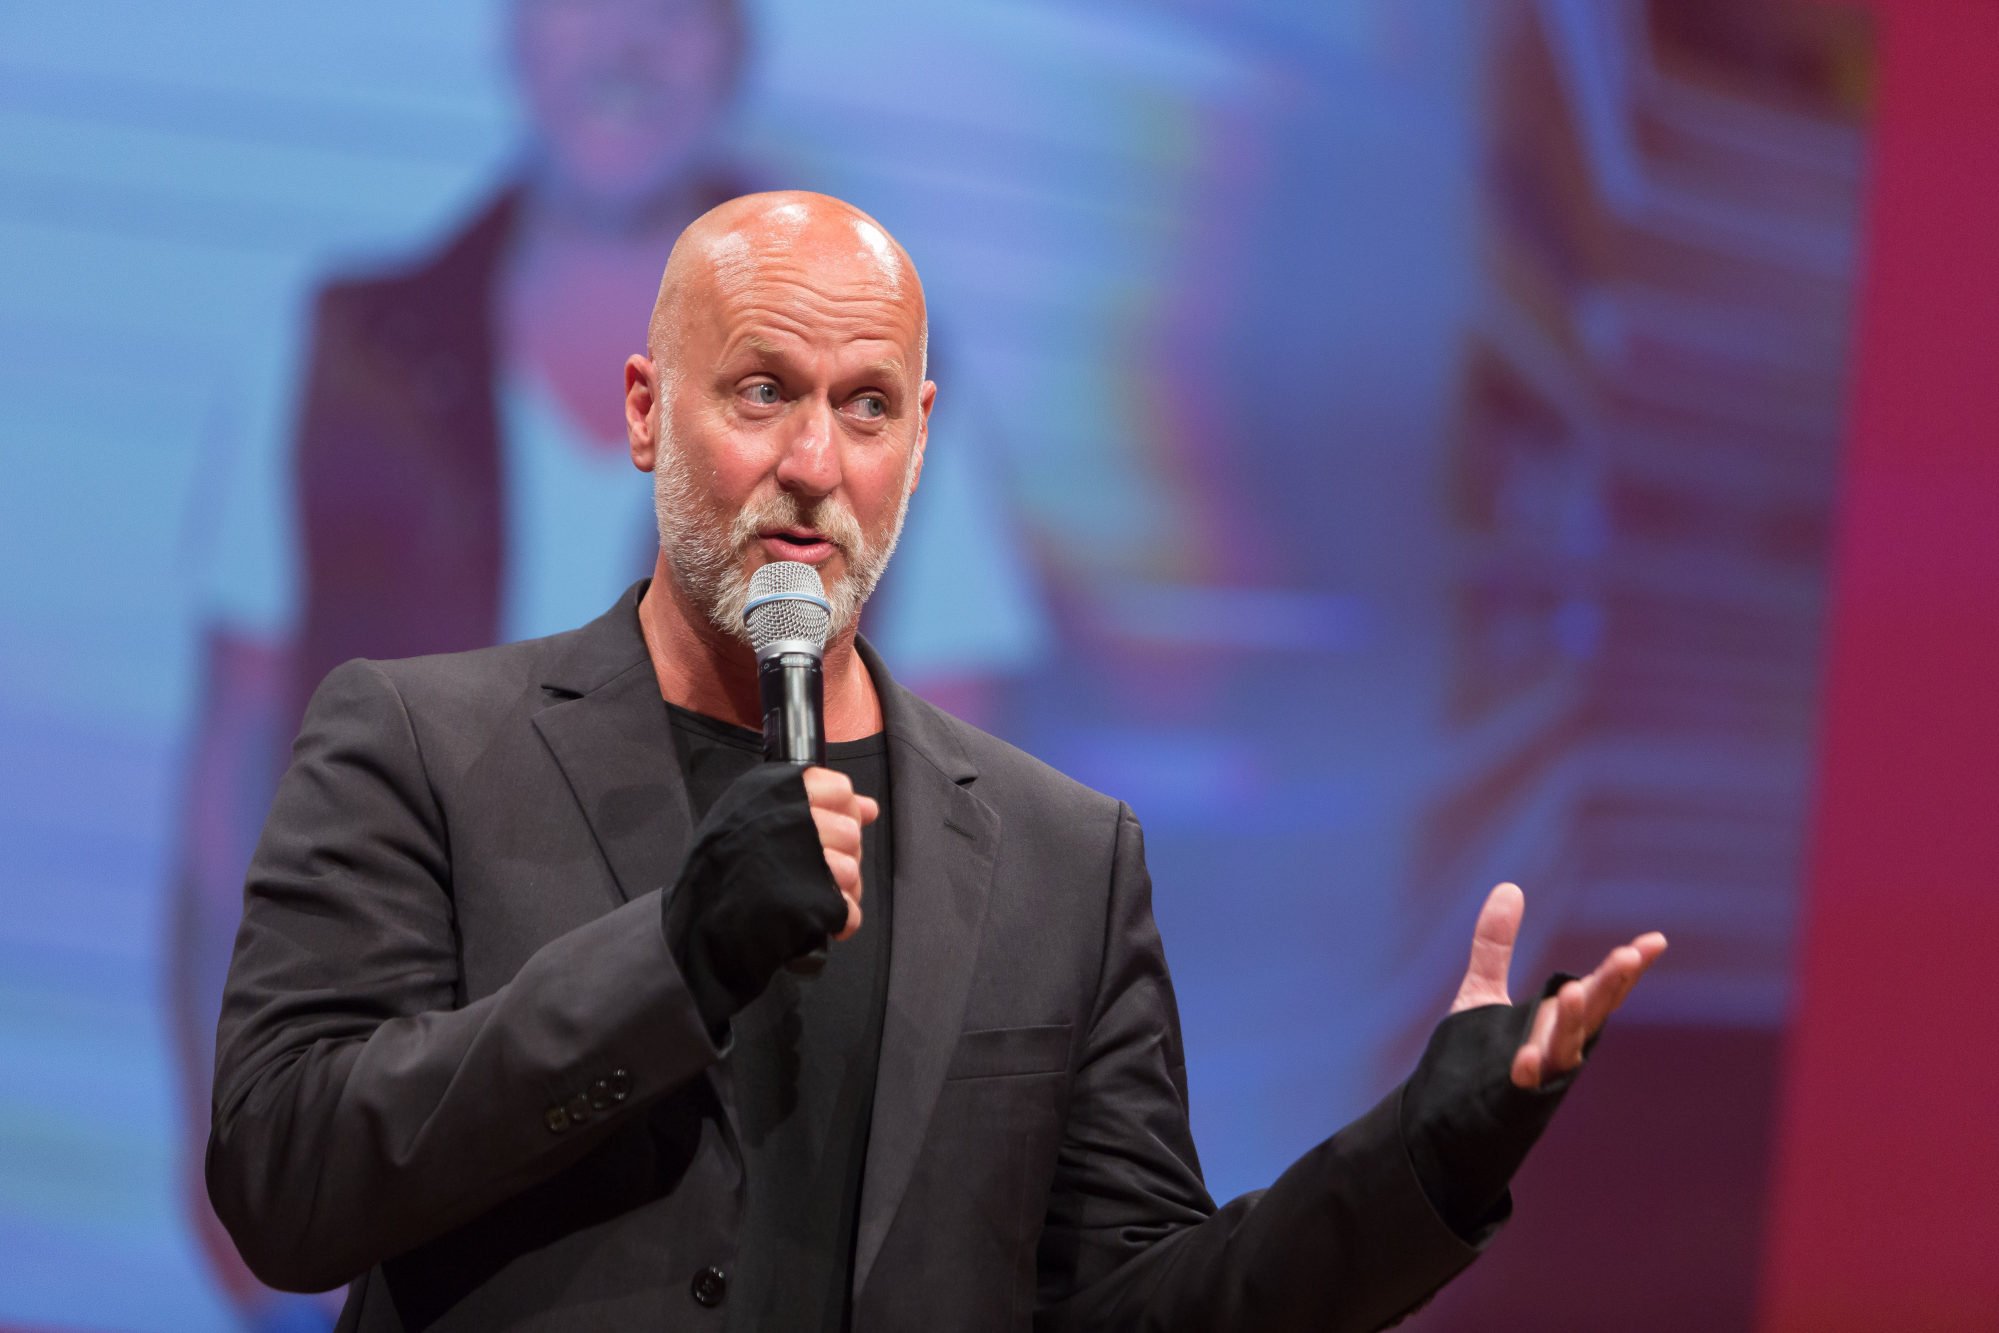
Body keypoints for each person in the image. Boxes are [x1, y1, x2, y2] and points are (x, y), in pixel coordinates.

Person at [206, 191, 1665, 1331]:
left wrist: (1424, 1165)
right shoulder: (418, 741)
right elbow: (286, 1180)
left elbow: (1137, 1306)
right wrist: (672, 960)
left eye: (867, 406)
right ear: (648, 412)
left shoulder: (1060, 858)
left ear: (921, 438)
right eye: (762, 390)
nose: (817, 464)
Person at [174, 5, 1040, 1323]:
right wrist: (219, 1108)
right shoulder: (331, 349)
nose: (626, 40)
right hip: (396, 1145)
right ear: (515, 29)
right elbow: (227, 784)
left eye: (678, 6)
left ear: (740, 41)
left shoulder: (890, 396)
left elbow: (969, 831)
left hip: (746, 1177)